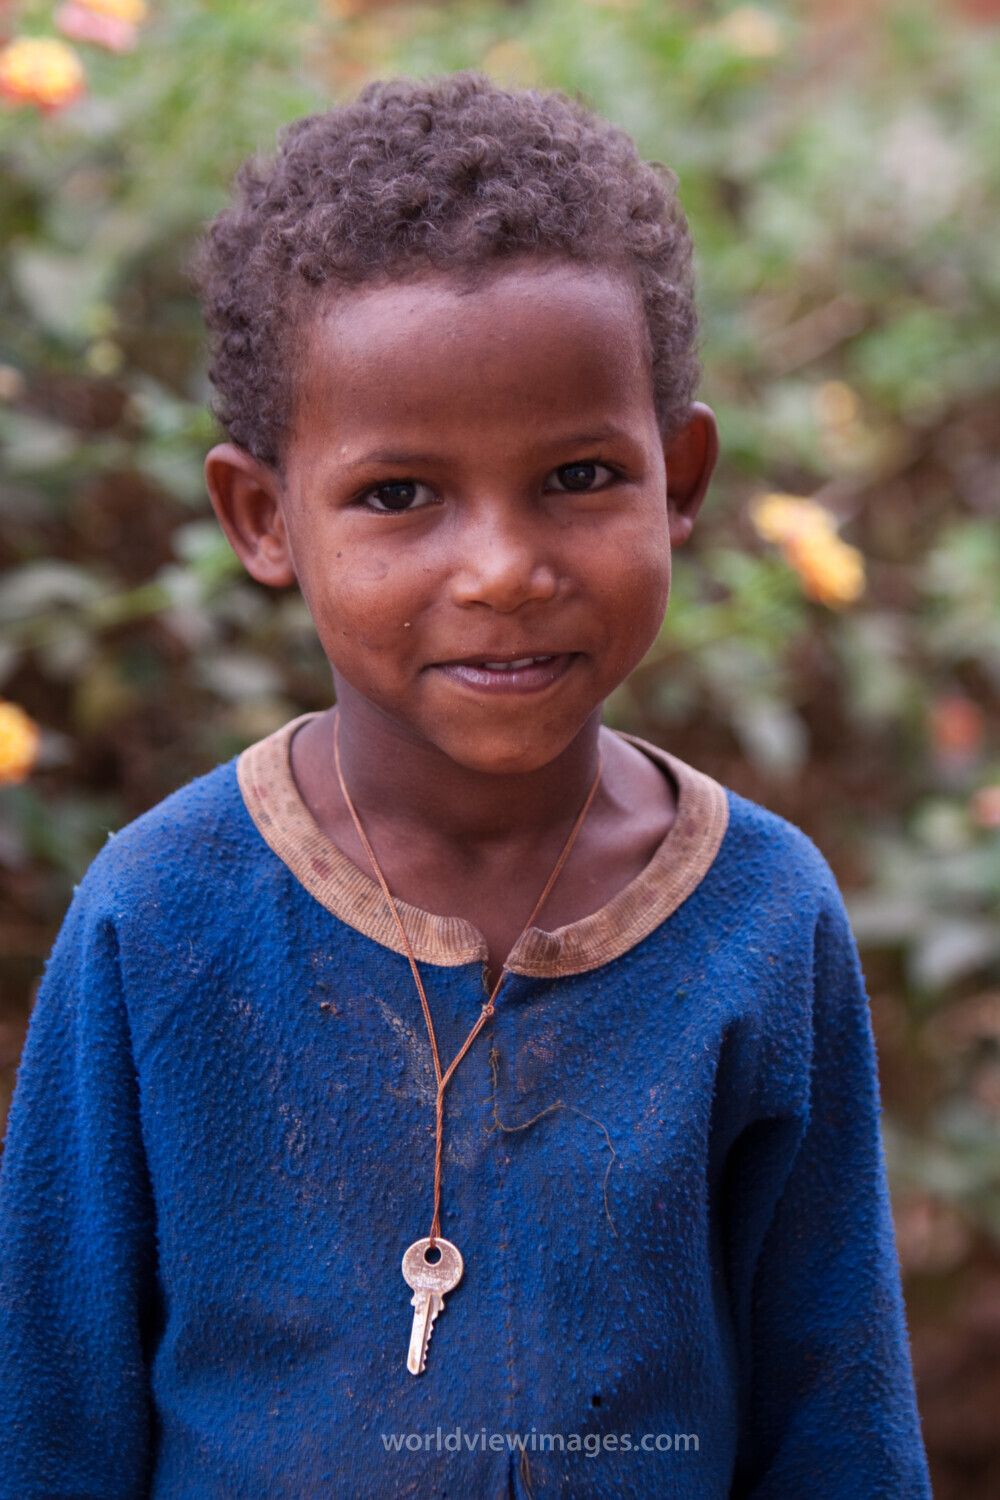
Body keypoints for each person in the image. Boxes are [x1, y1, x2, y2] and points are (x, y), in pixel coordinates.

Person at [0, 73, 930, 1498]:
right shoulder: (162, 917)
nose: (503, 569)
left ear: (680, 478)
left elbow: (835, 1418)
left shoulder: (760, 918)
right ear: (264, 517)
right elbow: (50, 1415)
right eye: (399, 495)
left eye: (579, 475)